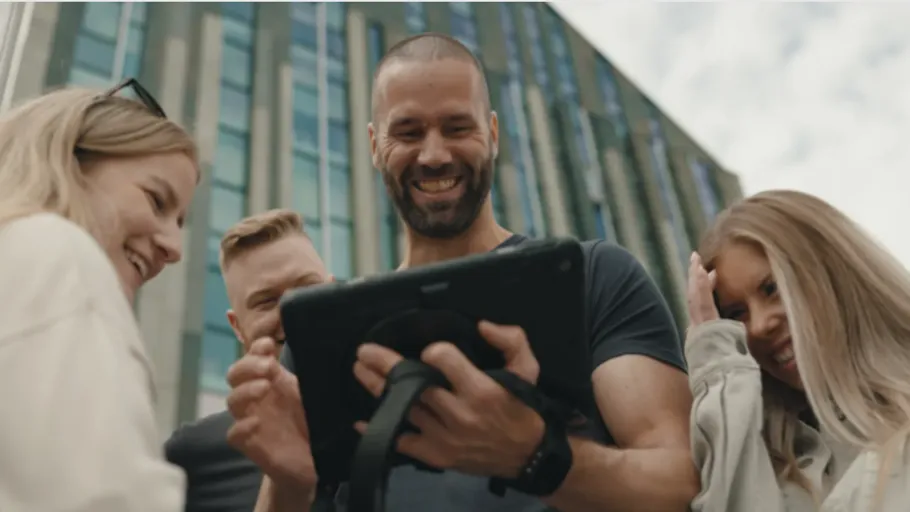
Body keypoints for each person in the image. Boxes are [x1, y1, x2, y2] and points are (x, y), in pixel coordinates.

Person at [227, 32, 698, 512]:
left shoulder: (594, 277)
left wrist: (534, 454)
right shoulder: (324, 332)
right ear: (374, 144)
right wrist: (288, 484)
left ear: (492, 135)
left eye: (457, 127)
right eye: (408, 132)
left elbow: (679, 481)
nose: (434, 155)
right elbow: (292, 482)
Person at [0, 80, 198, 511]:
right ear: (68, 161)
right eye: (157, 201)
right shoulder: (59, 255)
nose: (174, 247)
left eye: (179, 221)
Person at [686, 189, 910, 511]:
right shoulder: (779, 471)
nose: (759, 325)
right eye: (736, 314)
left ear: (833, 272)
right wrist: (715, 358)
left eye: (772, 289)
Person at [165, 209, 331, 512]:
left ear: (333, 289)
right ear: (238, 328)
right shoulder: (193, 457)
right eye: (267, 301)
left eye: (307, 287)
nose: (292, 310)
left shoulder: (413, 423)